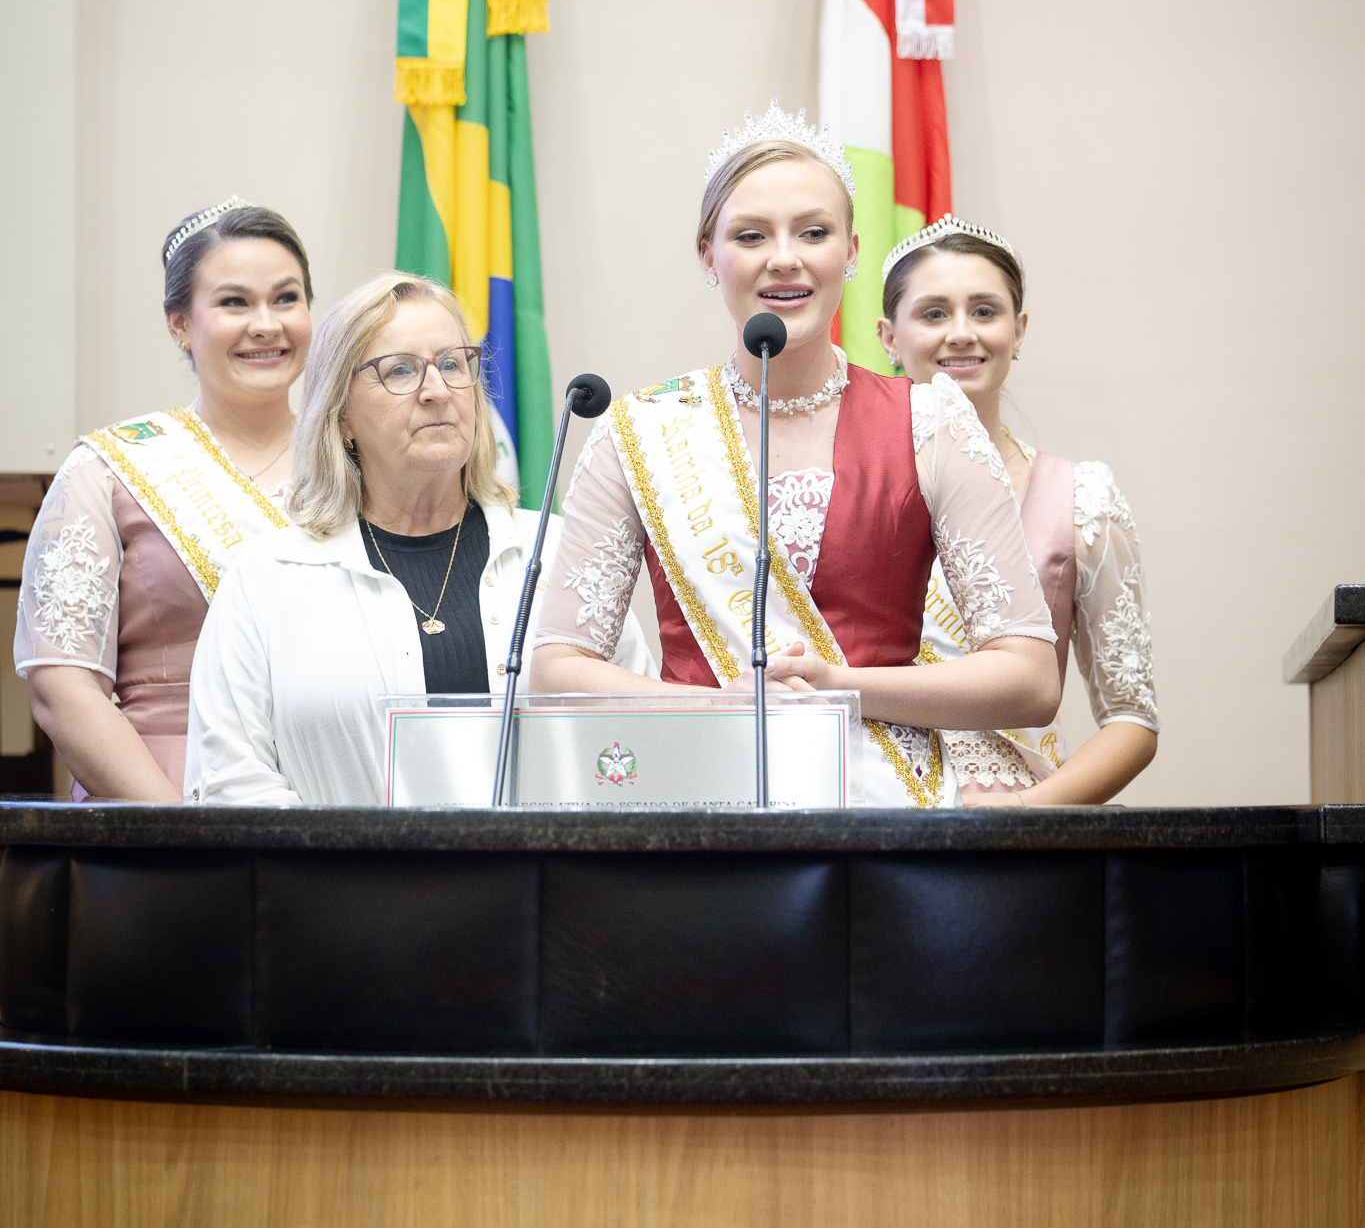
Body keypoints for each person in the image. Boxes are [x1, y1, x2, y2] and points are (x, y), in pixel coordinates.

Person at [528, 105, 1060, 807]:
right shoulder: (639, 431)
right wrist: (718, 708)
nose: (784, 257)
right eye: (750, 235)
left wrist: (839, 688)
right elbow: (556, 670)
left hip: (886, 810)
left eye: (813, 232)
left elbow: (1030, 680)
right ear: (707, 254)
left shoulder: (932, 422)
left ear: (851, 250)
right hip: (697, 801)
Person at [184, 272, 654, 804]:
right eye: (400, 370)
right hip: (329, 861)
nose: (437, 391)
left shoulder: (557, 551)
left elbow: (637, 741)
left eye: (452, 364)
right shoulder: (266, 578)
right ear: (341, 416)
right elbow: (228, 781)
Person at [14, 197, 314, 802]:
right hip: (167, 796)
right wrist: (178, 829)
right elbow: (62, 686)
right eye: (234, 302)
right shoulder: (109, 469)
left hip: (340, 795)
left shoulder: (358, 463)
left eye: (286, 298)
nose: (266, 324)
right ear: (179, 324)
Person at [878, 215, 1159, 806]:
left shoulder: (1080, 497)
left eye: (984, 311)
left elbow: (1131, 719)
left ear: (1019, 329)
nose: (961, 333)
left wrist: (1023, 817)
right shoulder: (841, 488)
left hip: (1010, 821)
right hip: (865, 799)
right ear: (888, 337)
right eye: (933, 314)